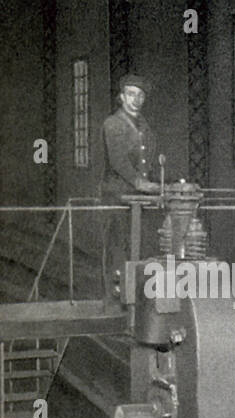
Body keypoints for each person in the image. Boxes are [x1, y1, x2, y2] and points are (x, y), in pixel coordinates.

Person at [100, 74, 160, 302]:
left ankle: (137, 299)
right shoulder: (113, 124)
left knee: (140, 246)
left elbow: (147, 161)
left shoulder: (144, 126)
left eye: (141, 95)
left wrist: (153, 183)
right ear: (122, 97)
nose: (136, 99)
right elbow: (118, 160)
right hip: (116, 196)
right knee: (118, 247)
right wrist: (140, 183)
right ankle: (114, 299)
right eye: (131, 94)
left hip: (138, 198)